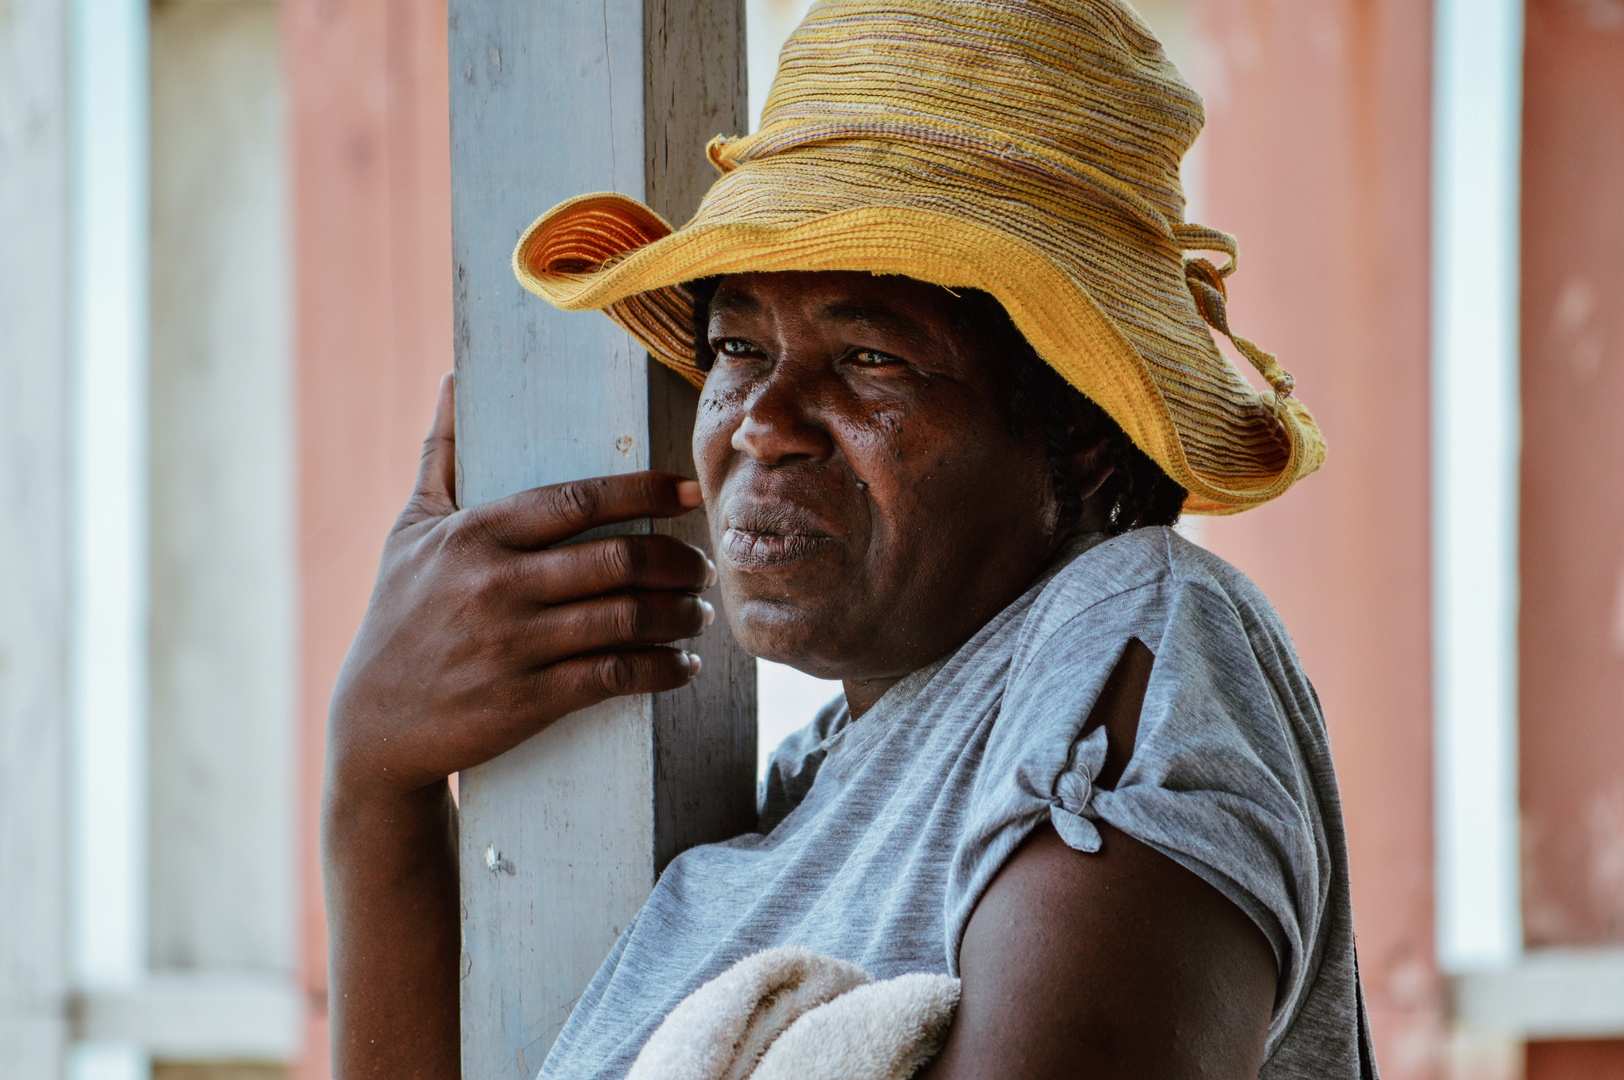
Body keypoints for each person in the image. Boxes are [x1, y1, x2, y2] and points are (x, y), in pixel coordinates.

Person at [322, 2, 1375, 1078]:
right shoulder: (804, 799)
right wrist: (375, 781)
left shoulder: (1140, 633)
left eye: (872, 358)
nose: (763, 424)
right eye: (738, 345)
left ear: (1084, 438)